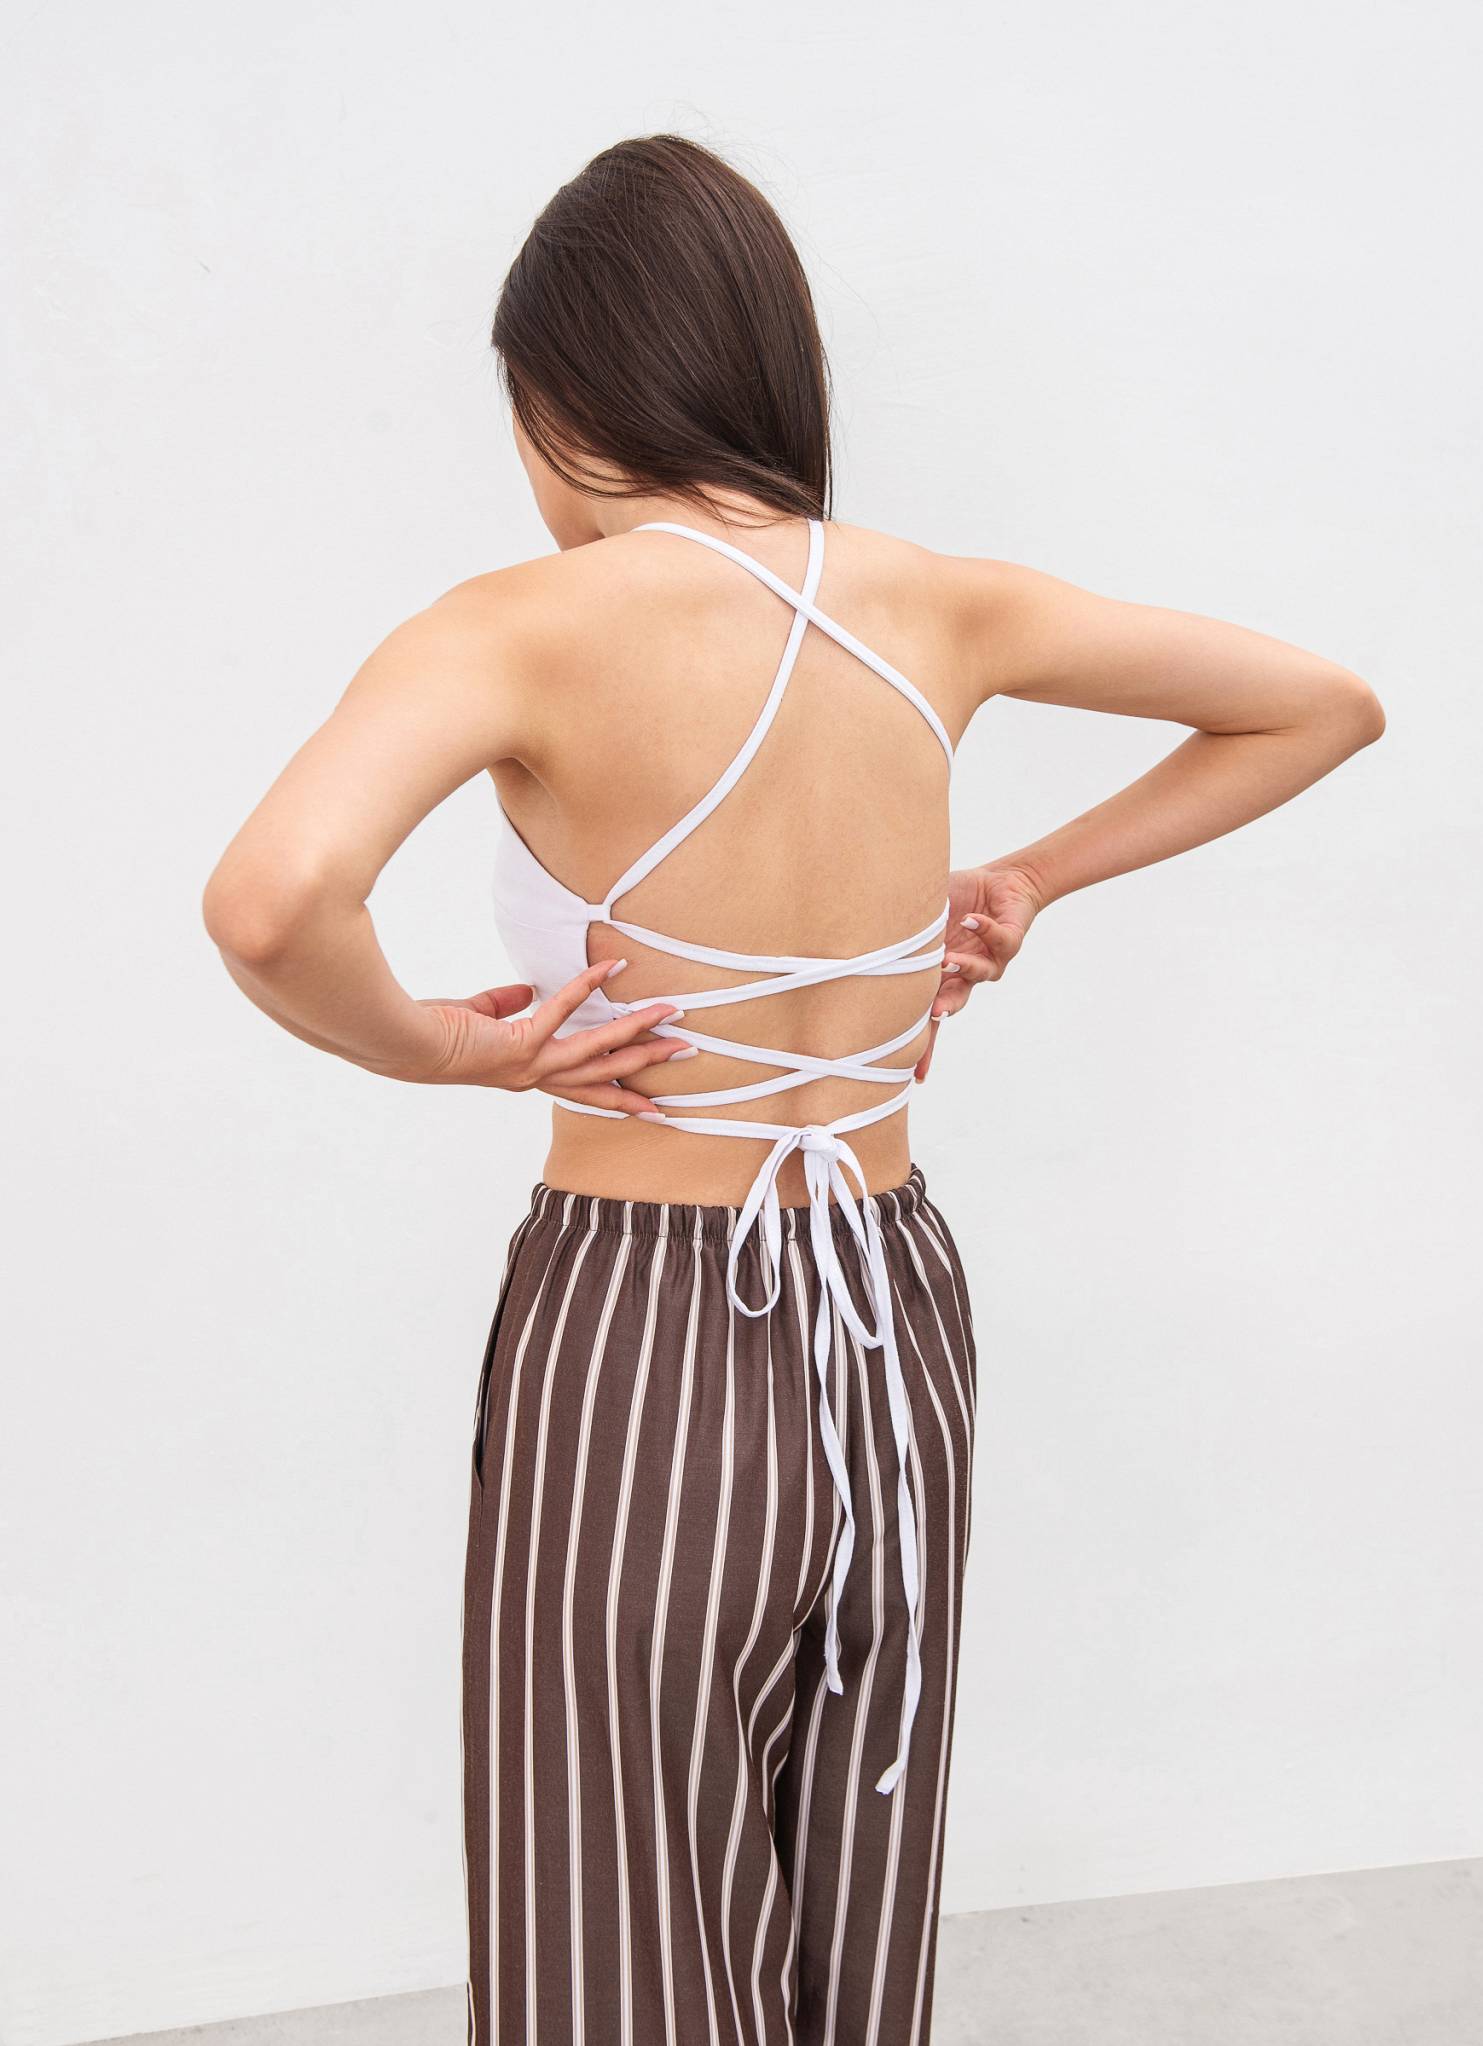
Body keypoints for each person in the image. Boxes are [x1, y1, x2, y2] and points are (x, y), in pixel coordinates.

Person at [203, 133, 1384, 2046]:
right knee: (856, 1900)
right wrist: (1028, 877)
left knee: (615, 1935)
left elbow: (269, 905)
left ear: (566, 394)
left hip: (643, 1329)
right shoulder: (939, 605)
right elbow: (1322, 700)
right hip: (893, 1312)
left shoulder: (523, 625)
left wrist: (454, 1044)